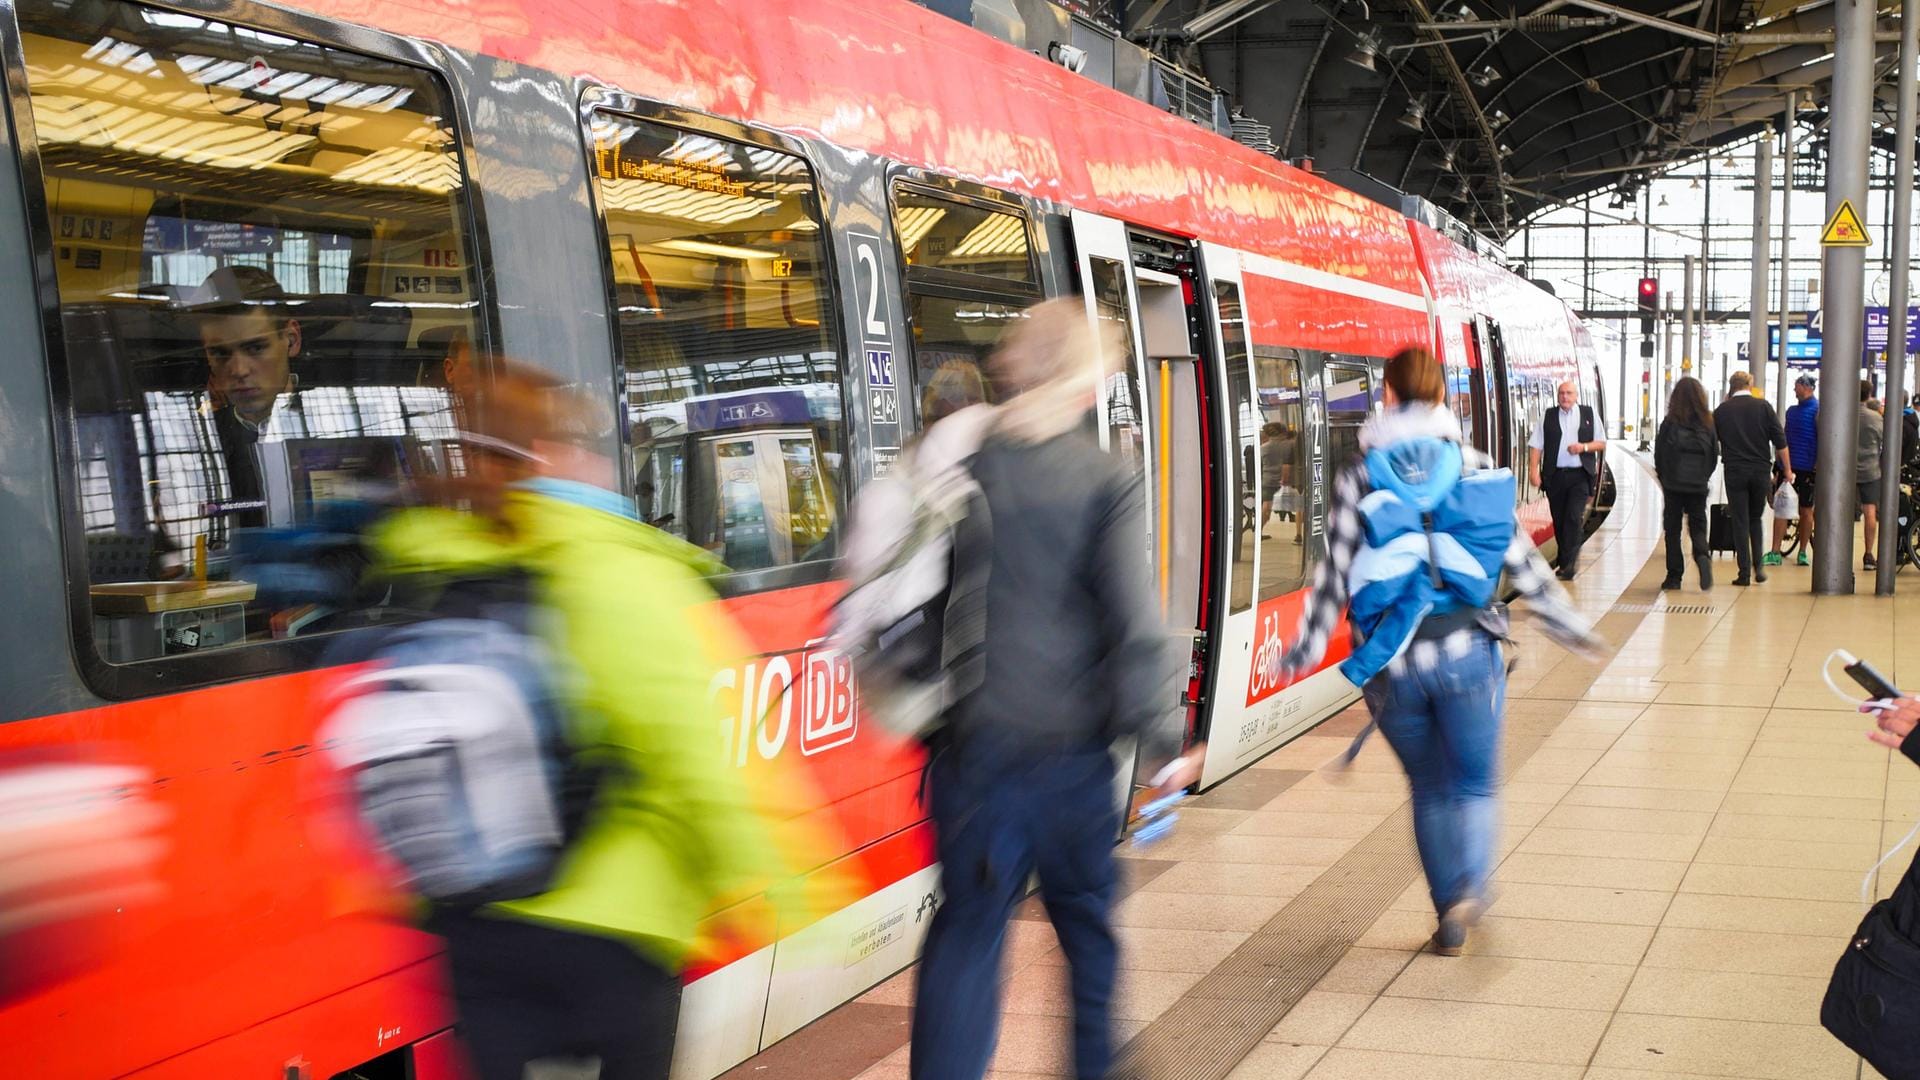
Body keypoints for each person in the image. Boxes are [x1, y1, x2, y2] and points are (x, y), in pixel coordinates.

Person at [365, 365, 806, 1080]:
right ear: (549, 452)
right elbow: (696, 752)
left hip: (478, 921)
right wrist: (784, 889)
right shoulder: (623, 572)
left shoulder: (433, 559)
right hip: (617, 928)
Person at [907, 299, 1197, 1080]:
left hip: (971, 752)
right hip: (1068, 758)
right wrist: (1163, 740)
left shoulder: (959, 468)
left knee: (967, 934)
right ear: (1081, 384)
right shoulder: (1104, 479)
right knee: (1086, 931)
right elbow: (1133, 623)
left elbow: (922, 599)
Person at [1278, 347, 1599, 957]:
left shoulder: (1360, 474)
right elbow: (1520, 561)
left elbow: (1335, 575)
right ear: (1447, 400)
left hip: (1393, 665)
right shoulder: (1473, 464)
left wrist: (1303, 650)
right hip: (1468, 650)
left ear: (1389, 397)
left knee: (1428, 788)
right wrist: (1570, 627)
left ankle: (1447, 907)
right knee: (1474, 785)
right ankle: (1472, 883)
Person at [194, 266, 302, 530]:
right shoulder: (201, 439)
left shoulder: (337, 422)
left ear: (291, 339)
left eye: (255, 348)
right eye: (220, 353)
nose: (239, 370)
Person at [1712, 371, 1792, 586]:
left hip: (1735, 471)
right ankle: (1759, 568)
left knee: (1740, 521)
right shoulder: (1763, 407)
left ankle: (1744, 573)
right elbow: (1780, 441)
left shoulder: (1721, 411)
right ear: (1749, 384)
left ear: (1732, 387)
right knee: (1755, 519)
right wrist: (1788, 470)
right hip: (1760, 472)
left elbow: (1712, 441)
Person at [1526, 380, 1604, 580]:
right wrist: (1533, 470)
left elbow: (1601, 443)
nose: (1565, 397)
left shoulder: (1589, 415)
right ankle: (1565, 560)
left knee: (1572, 517)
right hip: (1556, 476)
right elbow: (1536, 445)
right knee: (1559, 521)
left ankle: (1568, 566)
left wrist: (1583, 448)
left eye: (1569, 393)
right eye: (1561, 393)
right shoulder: (1548, 416)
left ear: (1576, 396)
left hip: (1580, 476)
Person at [1654, 377, 1718, 591]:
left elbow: (1659, 455)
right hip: (1698, 486)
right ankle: (1702, 557)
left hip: (1673, 486)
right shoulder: (1708, 424)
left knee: (1672, 531)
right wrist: (1702, 477)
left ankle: (1674, 577)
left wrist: (1665, 478)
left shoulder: (1669, 423)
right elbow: (1713, 456)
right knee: (1698, 527)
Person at [1770, 374, 1818, 567]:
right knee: (1782, 508)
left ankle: (1803, 551)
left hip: (1807, 468)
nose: (1794, 390)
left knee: (1806, 511)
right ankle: (1775, 550)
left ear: (1806, 387)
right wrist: (1779, 466)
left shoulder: (1818, 411)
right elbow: (1784, 440)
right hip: (1788, 467)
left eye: (1796, 386)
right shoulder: (1791, 412)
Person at [1861, 381, 1886, 570]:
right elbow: (1883, 441)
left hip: (1844, 470)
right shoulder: (1875, 418)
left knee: (1840, 509)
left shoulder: (1843, 413)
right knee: (1870, 511)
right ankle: (1869, 554)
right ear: (1869, 395)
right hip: (1870, 470)